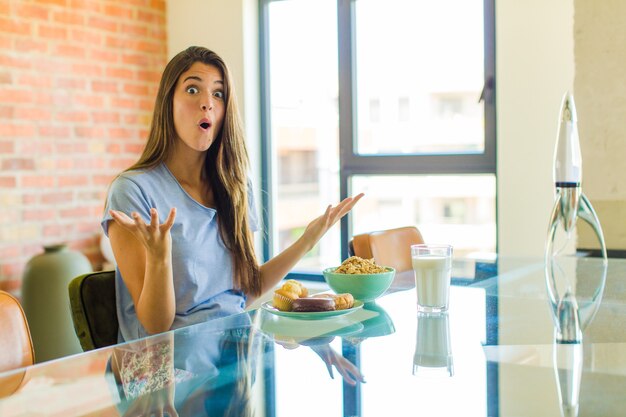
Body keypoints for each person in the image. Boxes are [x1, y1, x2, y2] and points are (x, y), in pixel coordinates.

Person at [102, 46, 363, 342]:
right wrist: (160, 259)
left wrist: (308, 240)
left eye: (218, 94)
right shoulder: (133, 192)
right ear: (167, 103)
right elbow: (155, 327)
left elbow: (248, 291)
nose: (207, 104)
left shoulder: (236, 186)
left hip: (234, 351)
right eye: (192, 89)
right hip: (167, 369)